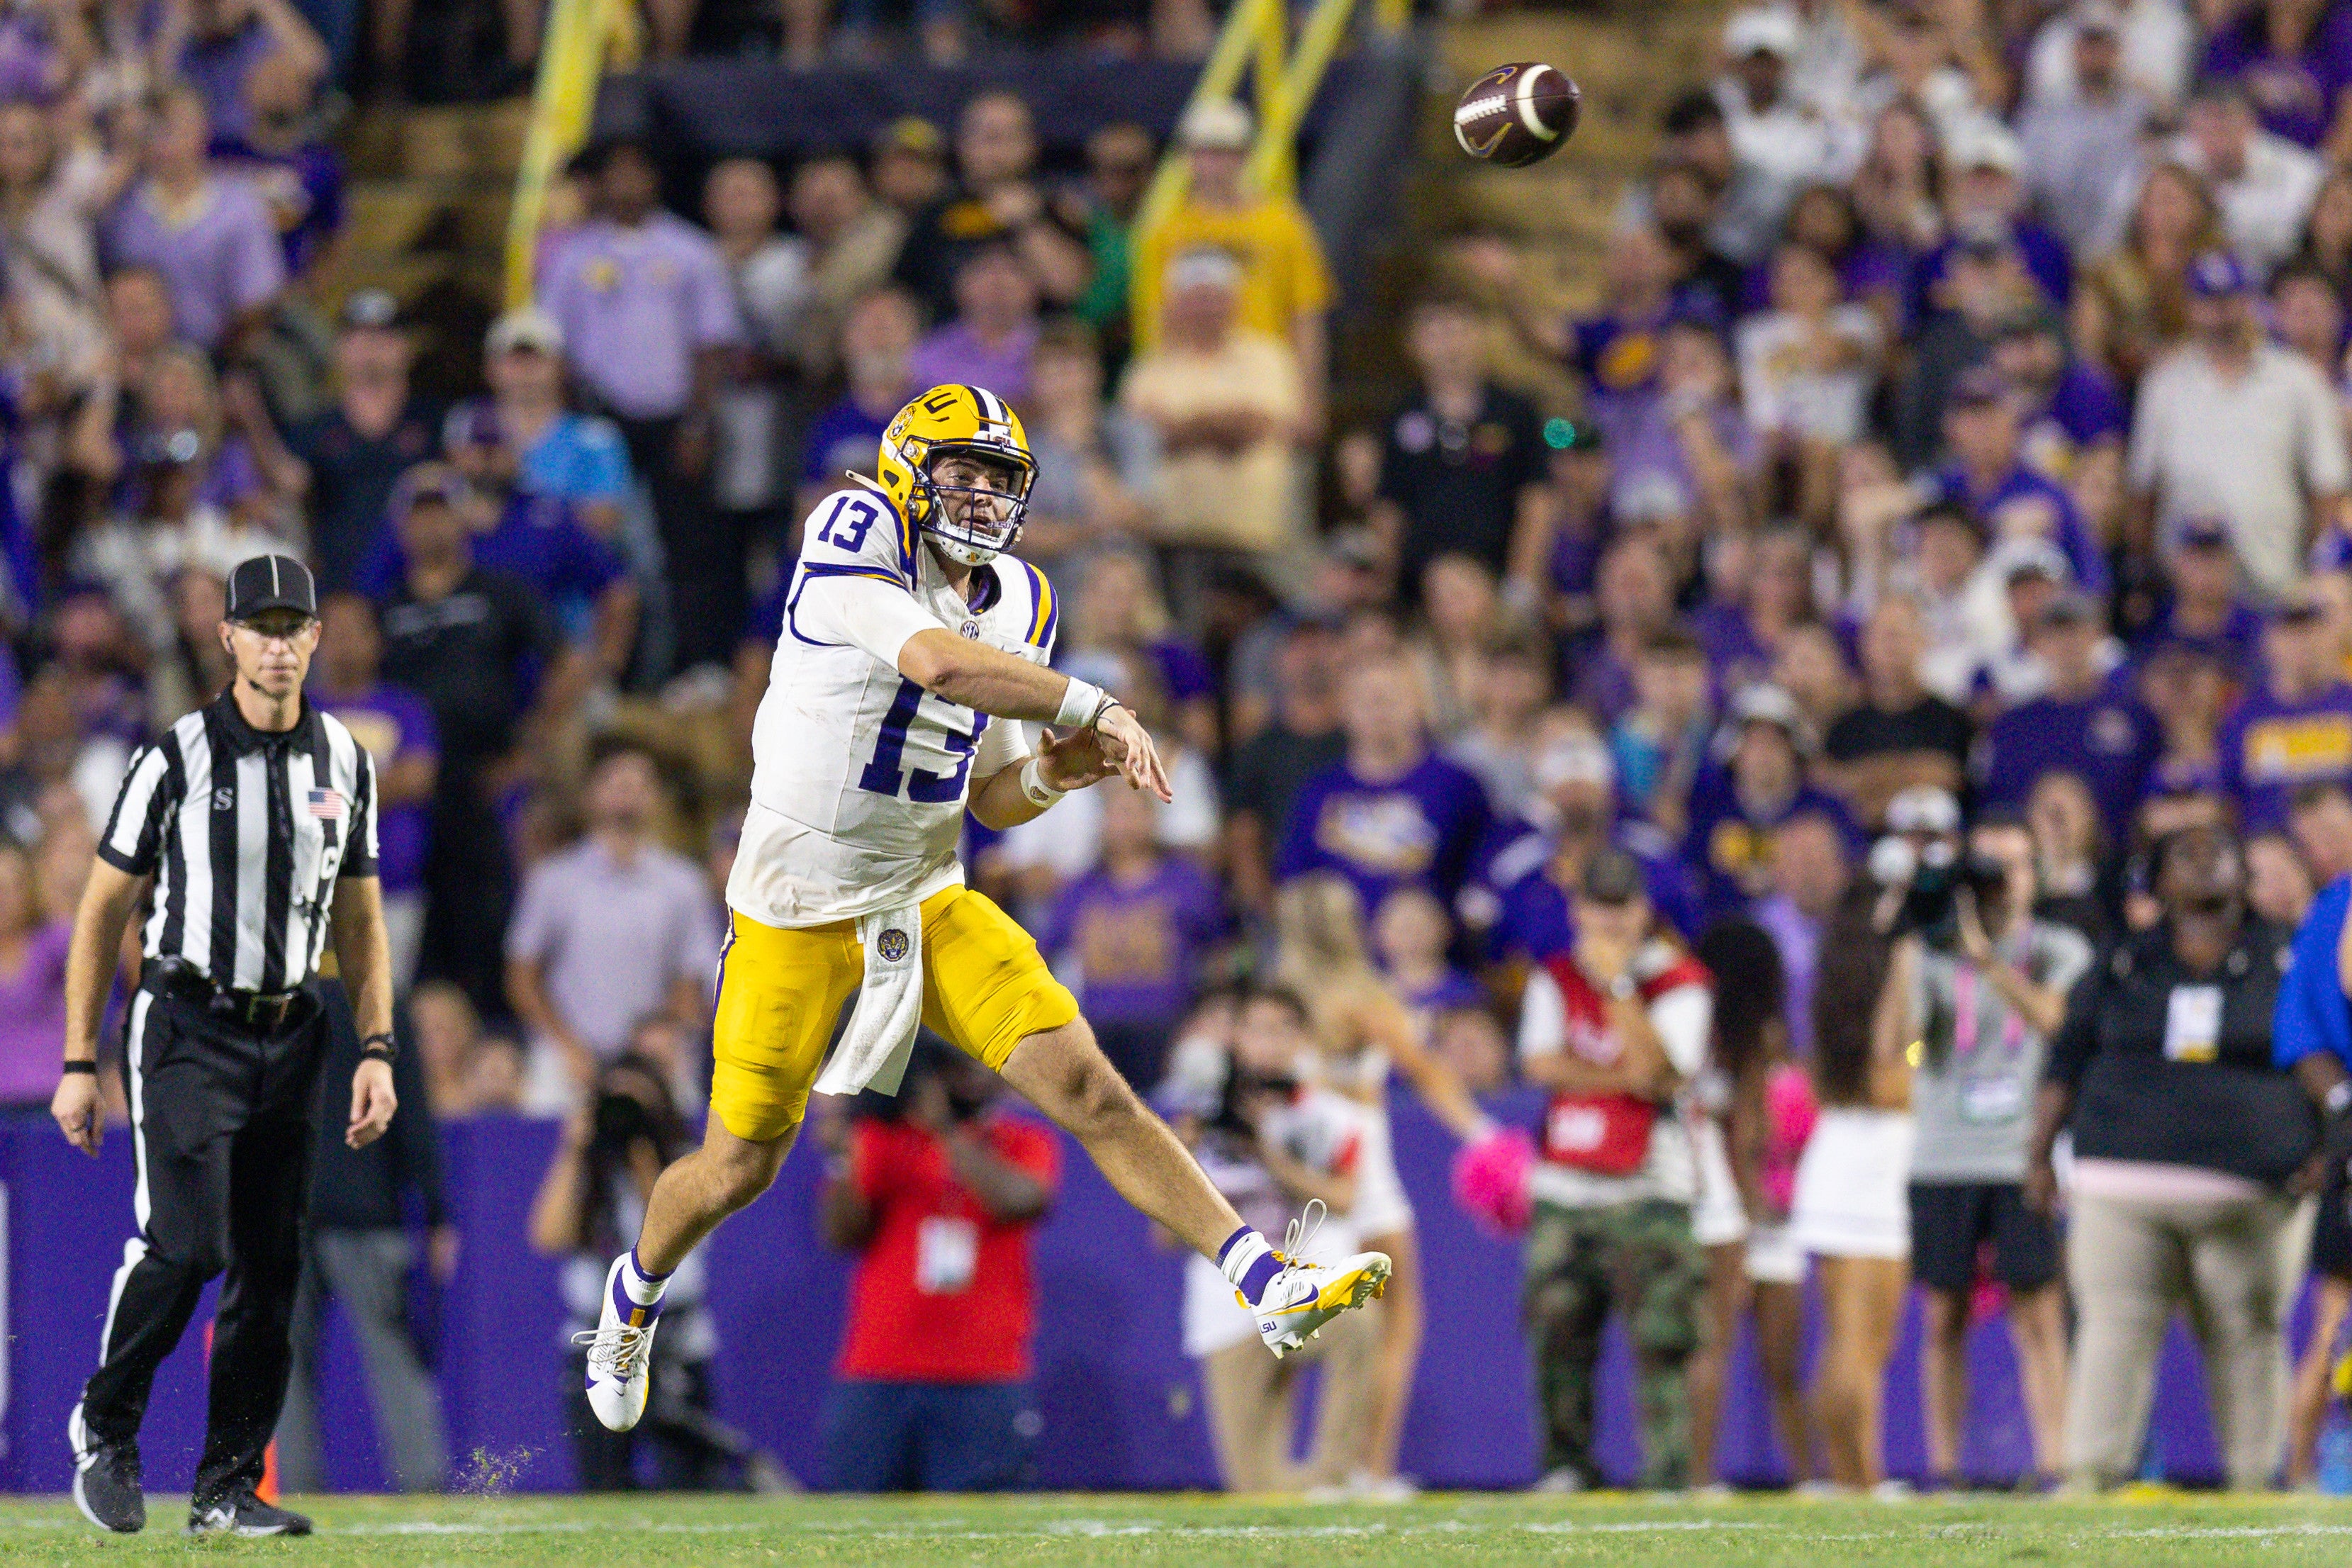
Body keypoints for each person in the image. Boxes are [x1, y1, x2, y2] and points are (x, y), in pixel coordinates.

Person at [573, 385, 1391, 1445]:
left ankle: (1260, 1280)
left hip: (924, 894)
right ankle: (631, 1298)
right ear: (908, 470)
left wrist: (1059, 772)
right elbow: (934, 661)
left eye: (1001, 479)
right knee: (740, 1163)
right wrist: (1091, 702)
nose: (984, 496)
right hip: (796, 907)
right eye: (962, 471)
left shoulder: (1022, 598)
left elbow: (994, 791)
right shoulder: (853, 525)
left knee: (1090, 1086)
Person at [54, 554, 396, 1537]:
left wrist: (376, 1044)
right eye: (263, 626)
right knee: (188, 1242)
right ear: (230, 638)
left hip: (295, 1026)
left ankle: (224, 1488)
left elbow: (361, 919)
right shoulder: (175, 756)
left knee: (269, 1267)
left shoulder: (345, 761)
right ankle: (105, 1422)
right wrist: (81, 1062)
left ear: (317, 637)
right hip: (189, 1020)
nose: (279, 644)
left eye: (296, 626)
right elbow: (101, 909)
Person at [2031, 822, 2317, 1490]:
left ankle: (2258, 1482)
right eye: (2184, 852)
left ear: (2246, 876)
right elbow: (2066, 1057)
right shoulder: (2123, 958)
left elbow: (2323, 1053)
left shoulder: (2288, 958)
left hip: (2254, 1191)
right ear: (2154, 883)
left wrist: (2326, 1146)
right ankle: (2091, 1479)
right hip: (2121, 1186)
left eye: (2220, 848)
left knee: (2250, 1333)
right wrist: (2039, 1156)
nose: (2204, 858)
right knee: (2113, 1330)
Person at [1272, 874, 1496, 1497]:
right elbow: (1426, 1072)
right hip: (1359, 1171)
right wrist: (1482, 1135)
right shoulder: (1361, 997)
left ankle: (1326, 1467)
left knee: (1323, 1326)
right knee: (1392, 1322)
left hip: (1297, 1170)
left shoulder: (1278, 997)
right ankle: (1364, 1469)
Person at [1891, 812, 2088, 1489]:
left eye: (2015, 866)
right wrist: (1907, 947)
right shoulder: (1932, 951)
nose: (2001, 882)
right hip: (1942, 1155)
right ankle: (1944, 1473)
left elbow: (2058, 1023)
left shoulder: (2058, 947)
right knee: (1941, 1316)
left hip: (2020, 1153)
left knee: (2038, 1311)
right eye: (1987, 867)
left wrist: (1986, 961)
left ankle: (2056, 1465)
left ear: (2037, 876)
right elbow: (1911, 1053)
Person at [1517, 848, 1713, 1491]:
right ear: (1578, 910)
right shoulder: (1553, 977)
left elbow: (1661, 1076)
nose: (1609, 921)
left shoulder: (1679, 981)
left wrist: (1618, 989)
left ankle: (1668, 1473)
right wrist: (1618, 1076)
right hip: (1567, 1184)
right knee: (1557, 1332)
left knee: (1663, 1339)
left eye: (1621, 906)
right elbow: (1540, 1064)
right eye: (1597, 906)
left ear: (1643, 910)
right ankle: (1566, 1465)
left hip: (1651, 1187)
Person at [530, 1018, 773, 1491]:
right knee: (602, 1485)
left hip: (677, 1341)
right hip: (598, 1340)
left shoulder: (685, 1160)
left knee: (690, 1487)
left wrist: (644, 1145)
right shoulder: (588, 1166)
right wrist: (576, 1150)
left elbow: (673, 1234)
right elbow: (548, 1236)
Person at [1158, 987, 1381, 1492]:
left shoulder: (1329, 1116)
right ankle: (1298, 1497)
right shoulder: (1199, 1118)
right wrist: (1181, 1158)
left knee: (1362, 1319)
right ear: (1235, 1037)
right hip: (1226, 1308)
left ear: (1302, 1038)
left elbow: (1345, 1198)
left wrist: (1268, 1157)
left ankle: (1332, 1475)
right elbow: (1164, 1237)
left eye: (1285, 1028)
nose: (1272, 1042)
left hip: (1302, 1293)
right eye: (1259, 1028)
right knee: (1255, 1491)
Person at [539, 133, 745, 675]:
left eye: (639, 171)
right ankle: (617, 670)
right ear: (599, 182)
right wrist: (573, 430)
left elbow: (712, 345)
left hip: (675, 422)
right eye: (615, 172)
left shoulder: (690, 250)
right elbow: (554, 347)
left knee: (689, 546)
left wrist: (699, 423)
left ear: (657, 179)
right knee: (605, 549)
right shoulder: (573, 254)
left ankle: (694, 667)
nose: (627, 184)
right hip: (601, 422)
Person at [817, 1043, 1058, 1492]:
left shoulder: (1023, 1141)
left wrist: (945, 1133)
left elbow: (1020, 1202)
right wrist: (843, 1153)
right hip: (881, 1371)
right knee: (860, 1531)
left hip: (985, 1375)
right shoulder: (884, 1138)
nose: (968, 1075)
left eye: (978, 1062)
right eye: (951, 1065)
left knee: (987, 1538)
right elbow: (841, 1235)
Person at [273, 982, 451, 1495]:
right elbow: (412, 1111)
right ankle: (423, 1484)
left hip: (287, 1210)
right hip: (366, 1211)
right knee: (394, 1355)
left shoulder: (267, 1002)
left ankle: (298, 1486)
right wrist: (438, 1211)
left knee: (285, 1362)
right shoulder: (377, 1006)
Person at [2128, 249, 2348, 600]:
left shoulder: (2298, 379)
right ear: (2191, 307)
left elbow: (2326, 488)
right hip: (2184, 592)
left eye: (2229, 301)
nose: (2219, 315)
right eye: (2208, 302)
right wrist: (2141, 574)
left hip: (2276, 584)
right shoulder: (2164, 384)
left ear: (2248, 303)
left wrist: (2315, 573)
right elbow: (2144, 493)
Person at [1791, 875, 1913, 1495]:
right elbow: (1899, 1080)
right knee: (1864, 1346)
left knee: (1848, 1339)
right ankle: (1861, 1479)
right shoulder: (1892, 988)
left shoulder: (1836, 988)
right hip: (1874, 1172)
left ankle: (1851, 1475)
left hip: (1838, 1159)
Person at [1686, 919, 1816, 1491]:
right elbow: (1747, 1138)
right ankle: (1809, 1479)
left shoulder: (1730, 1043)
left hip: (1738, 1214)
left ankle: (1697, 1478)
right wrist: (1754, 1209)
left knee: (1721, 1350)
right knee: (1778, 1365)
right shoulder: (1747, 1047)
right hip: (1752, 1216)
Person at [1129, 97, 1331, 437]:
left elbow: (1306, 317)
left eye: (1224, 151)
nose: (1213, 164)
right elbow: (1156, 322)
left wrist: (1311, 399)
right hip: (1192, 383)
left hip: (1267, 380)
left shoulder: (1284, 226)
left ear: (1245, 156)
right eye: (1202, 152)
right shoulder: (1165, 233)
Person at [1273, 655, 1492, 923]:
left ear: (1418, 704)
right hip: (1343, 959)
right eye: (1365, 700)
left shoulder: (1458, 785)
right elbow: (1296, 888)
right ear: (1344, 710)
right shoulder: (1318, 793)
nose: (1378, 710)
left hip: (1432, 958)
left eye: (1390, 698)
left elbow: (1484, 884)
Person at [1034, 783, 1224, 1088]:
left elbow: (1220, 953)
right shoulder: (1080, 889)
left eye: (1135, 812)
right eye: (1118, 813)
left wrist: (1209, 1012)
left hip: (1169, 1026)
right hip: (1098, 1029)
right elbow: (1043, 954)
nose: (1126, 824)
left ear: (1153, 820)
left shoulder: (1186, 882)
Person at [1370, 295, 1553, 609]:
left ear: (1480, 334)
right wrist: (1384, 583)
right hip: (1419, 588)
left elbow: (1537, 499)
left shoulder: (1515, 410)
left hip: (1496, 581)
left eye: (1458, 326)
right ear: (1412, 344)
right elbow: (1389, 507)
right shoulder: (1401, 415)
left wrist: (1522, 583)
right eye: (1434, 328)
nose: (1448, 340)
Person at [307, 591, 435, 990]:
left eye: (355, 632)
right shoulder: (295, 712)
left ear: (376, 640)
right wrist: (378, 788)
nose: (344, 644)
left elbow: (419, 779)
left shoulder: (406, 708)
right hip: (311, 893)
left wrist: (333, 795)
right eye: (334, 633)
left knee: (384, 1006)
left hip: (391, 890)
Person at [276, 289, 441, 593]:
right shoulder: (315, 429)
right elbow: (288, 493)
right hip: (339, 588)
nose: (370, 347)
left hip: (418, 588)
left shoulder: (433, 421)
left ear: (406, 347)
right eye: (357, 336)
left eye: (383, 335)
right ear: (339, 349)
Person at [0, 838, 69, 1110]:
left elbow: (101, 952)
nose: (3, 900)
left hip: (48, 1099)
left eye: (11, 889)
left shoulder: (53, 942)